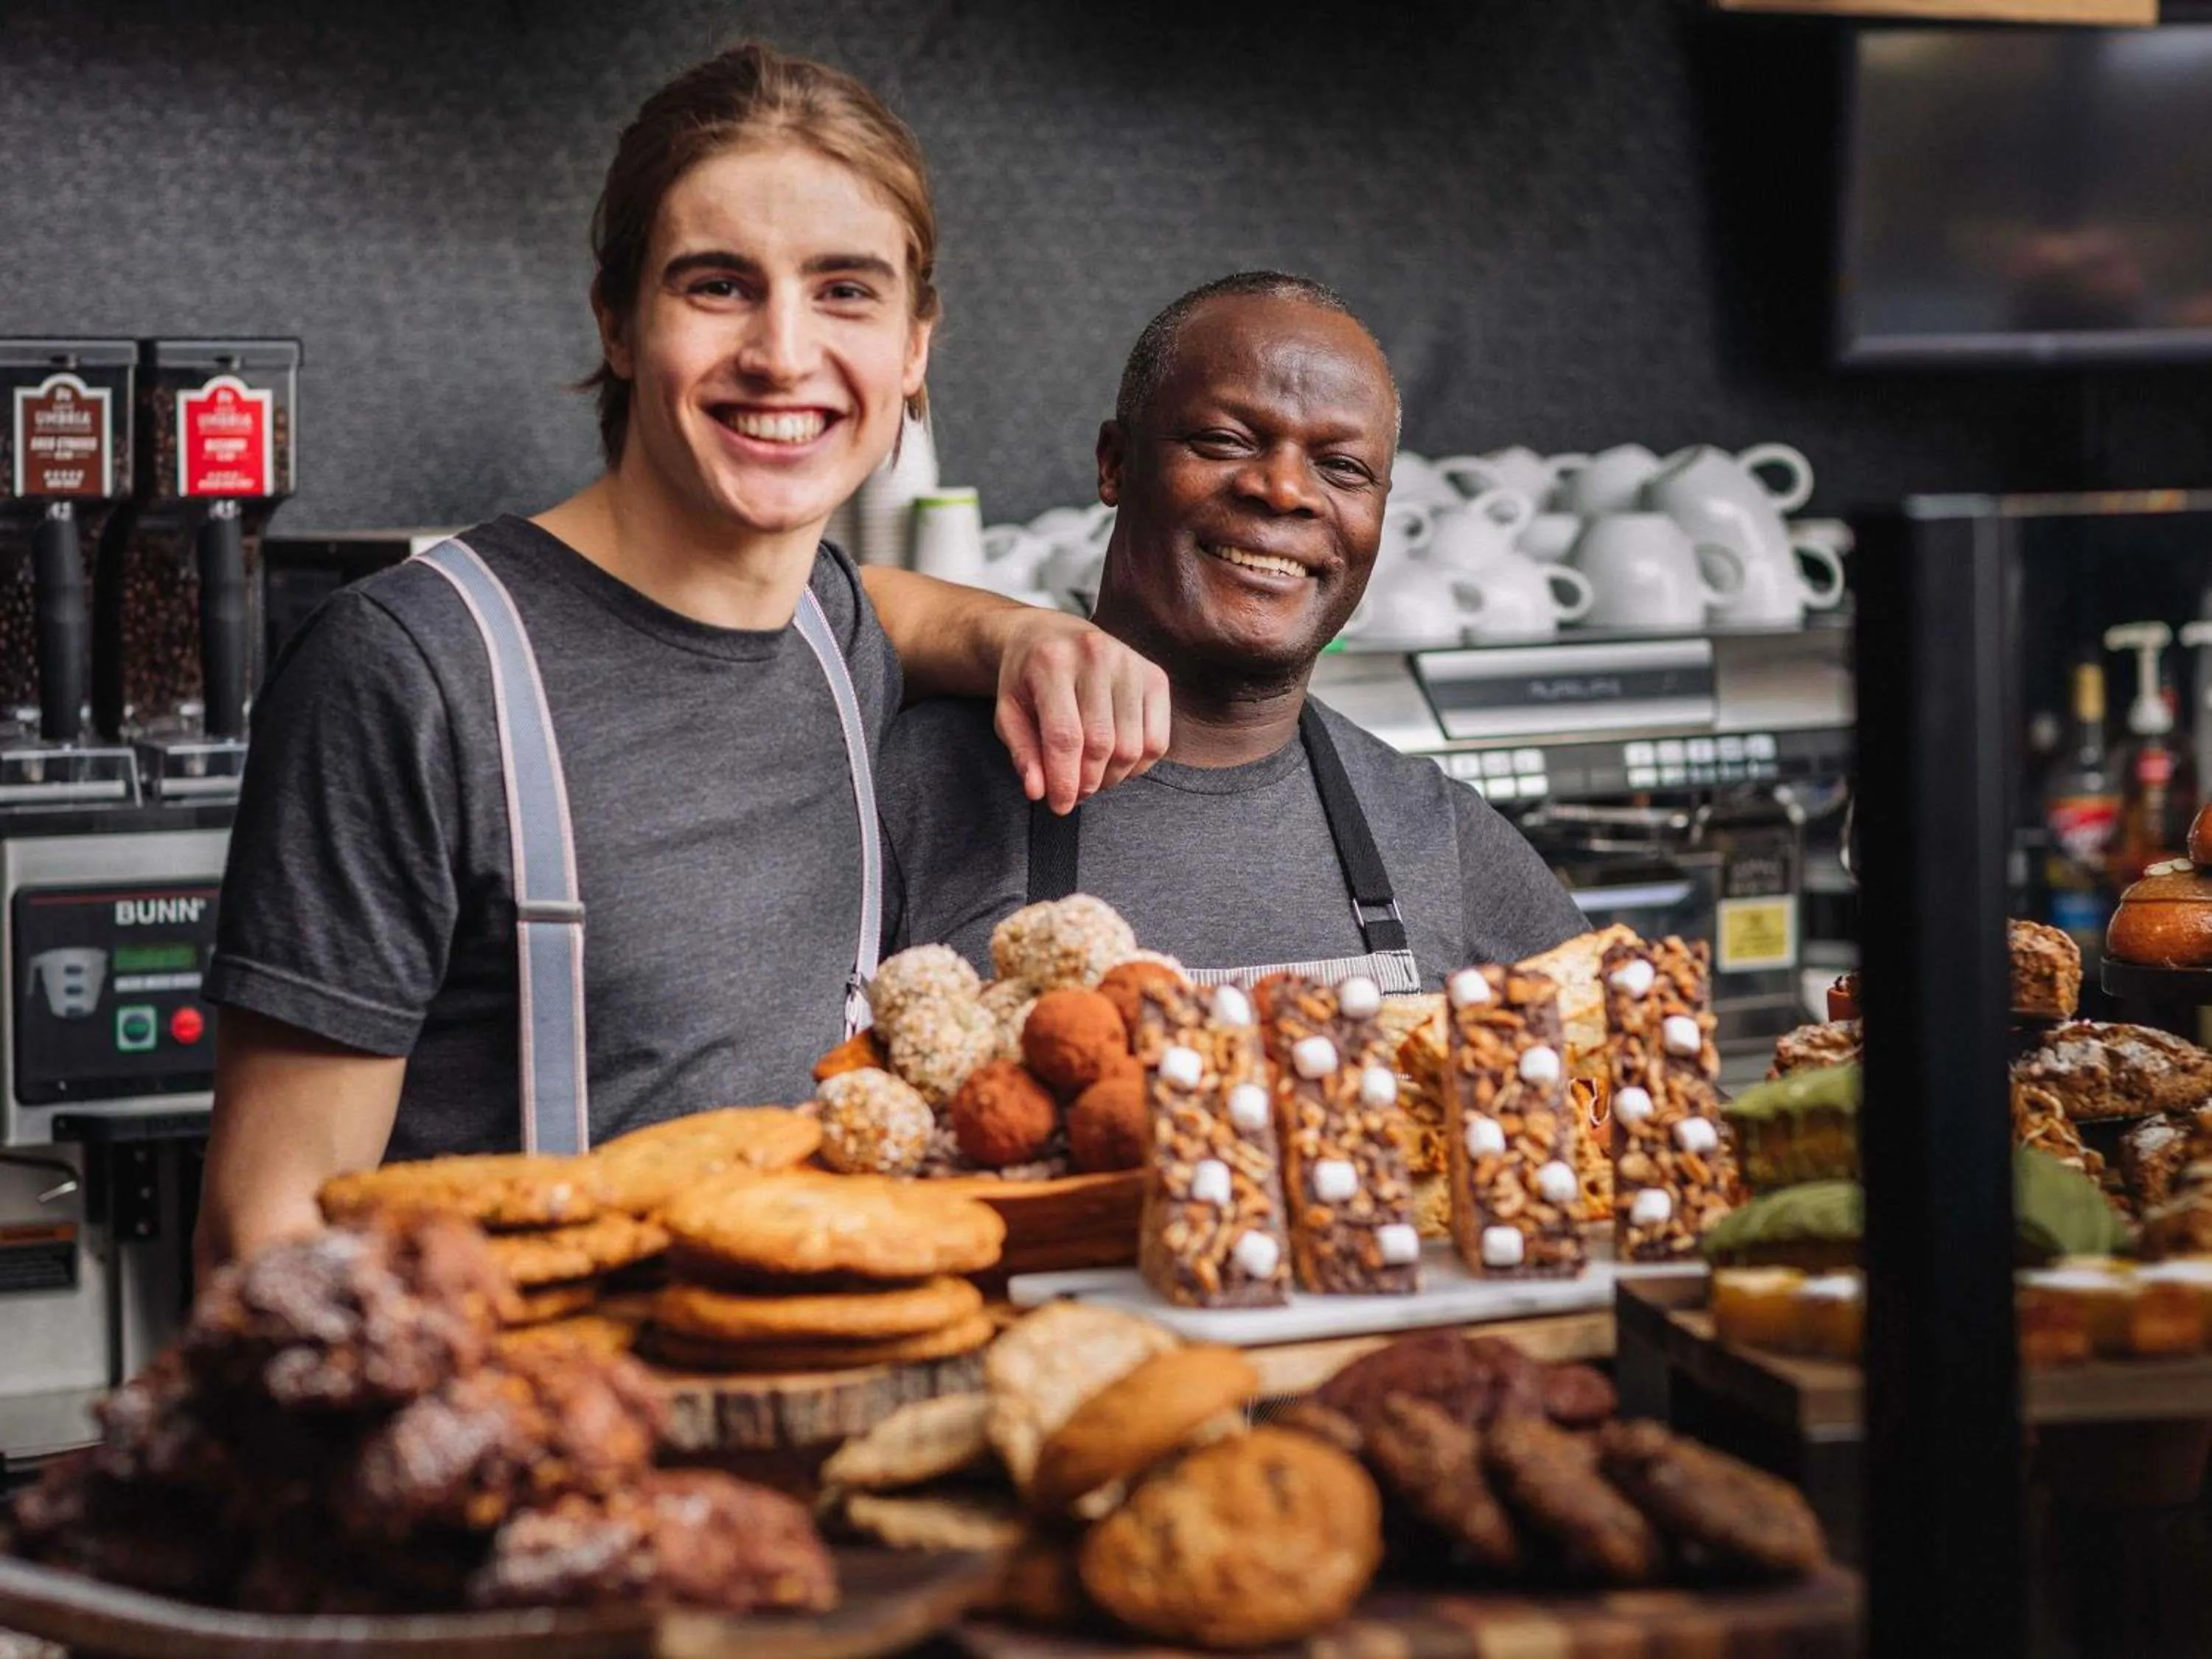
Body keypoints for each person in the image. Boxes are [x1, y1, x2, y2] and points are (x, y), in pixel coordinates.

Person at [195, 44, 1168, 1270]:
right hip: (533, 1434)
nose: (782, 352)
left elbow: (881, 602)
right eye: (718, 285)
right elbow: (264, 1235)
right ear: (617, 320)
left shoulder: (828, 627)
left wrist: (1030, 631)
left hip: (794, 1400)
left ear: (916, 348)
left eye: (845, 291)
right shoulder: (410, 675)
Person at [879, 271, 1585, 989]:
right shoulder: (913, 793)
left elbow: (1629, 1078)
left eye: (1342, 467)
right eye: (1225, 441)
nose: (1284, 490)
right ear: (1116, 464)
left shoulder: (1433, 831)